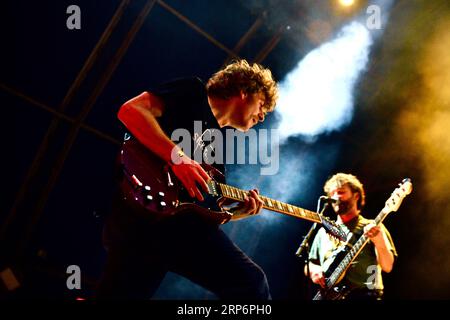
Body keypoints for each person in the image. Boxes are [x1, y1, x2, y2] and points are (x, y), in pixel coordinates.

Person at [96, 59, 279, 299]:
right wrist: (178, 158)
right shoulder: (193, 91)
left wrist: (234, 213)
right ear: (245, 91)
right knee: (251, 284)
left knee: (250, 285)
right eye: (262, 104)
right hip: (137, 223)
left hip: (173, 232)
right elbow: (130, 111)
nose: (263, 116)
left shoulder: (218, 147)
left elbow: (196, 206)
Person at [306, 173, 397, 300]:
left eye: (341, 192)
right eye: (332, 193)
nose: (335, 197)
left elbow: (387, 266)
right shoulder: (323, 232)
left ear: (356, 195)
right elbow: (312, 262)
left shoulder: (373, 226)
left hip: (364, 296)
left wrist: (379, 240)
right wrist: (314, 272)